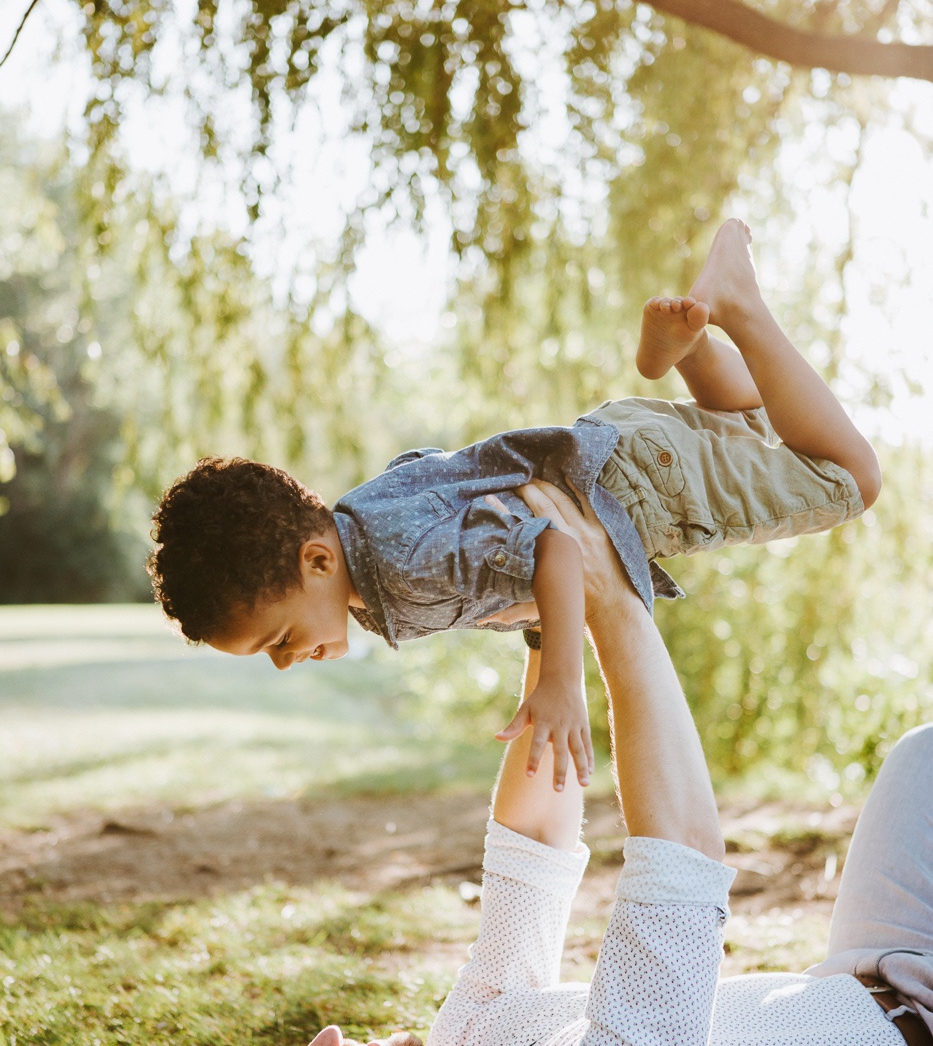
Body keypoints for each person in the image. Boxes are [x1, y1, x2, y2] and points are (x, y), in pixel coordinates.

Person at [193, 481, 932, 1046]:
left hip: (866, 971)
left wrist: (550, 629)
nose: (328, 1038)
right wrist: (609, 598)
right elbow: (679, 856)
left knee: (921, 758)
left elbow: (529, 853)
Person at [149, 220, 881, 792]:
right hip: (616, 447)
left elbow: (553, 549)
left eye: (277, 639)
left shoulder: (396, 568)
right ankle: (683, 348)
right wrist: (537, 626)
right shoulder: (365, 528)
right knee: (757, 419)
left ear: (314, 560)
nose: (285, 663)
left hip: (642, 491)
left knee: (847, 479)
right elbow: (491, 531)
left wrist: (562, 678)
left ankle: (737, 306)